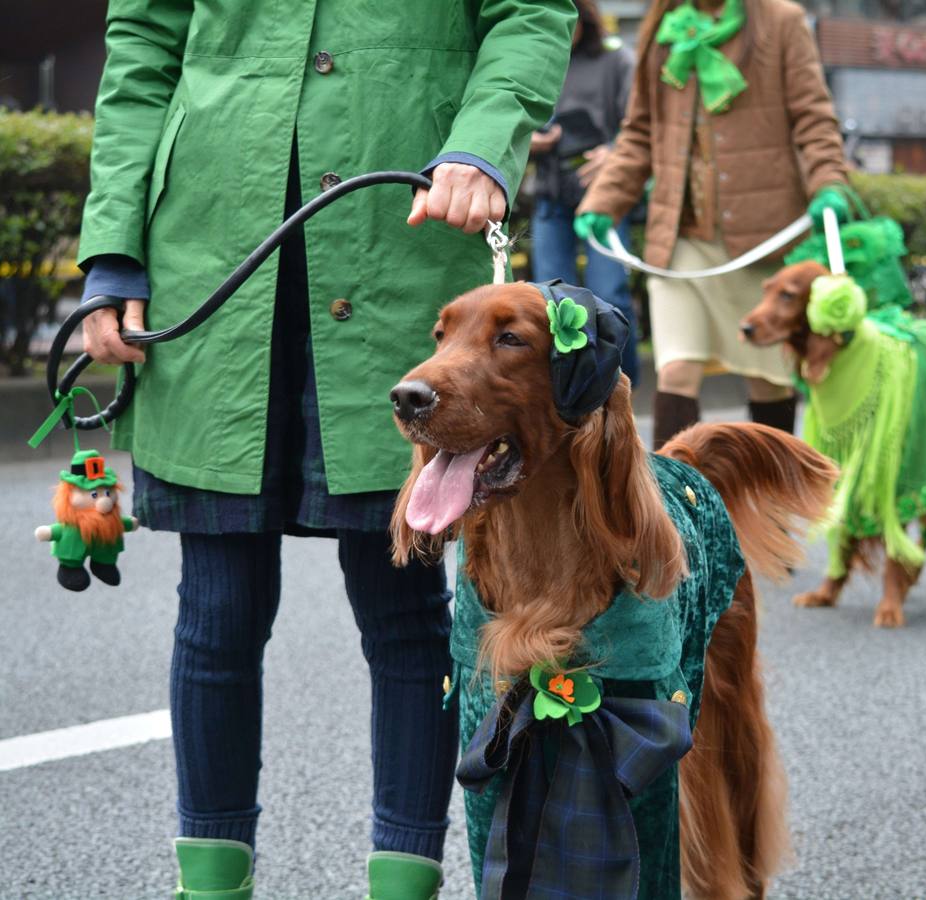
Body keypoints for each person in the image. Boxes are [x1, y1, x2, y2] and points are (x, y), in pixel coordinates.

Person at [75, 2, 575, 897]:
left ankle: (403, 885)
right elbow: (144, 43)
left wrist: (484, 140)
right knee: (218, 611)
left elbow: (529, 12)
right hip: (213, 250)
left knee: (403, 605)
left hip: (402, 240)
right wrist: (112, 250)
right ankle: (212, 886)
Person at [573, 0, 852, 448]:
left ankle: (769, 501)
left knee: (767, 379)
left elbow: (813, 117)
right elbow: (641, 130)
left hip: (764, 241)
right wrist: (603, 200)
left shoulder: (782, 21)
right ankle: (675, 507)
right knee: (677, 368)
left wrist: (829, 185)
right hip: (681, 241)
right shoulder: (664, 28)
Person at [529, 0, 641, 384]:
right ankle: (568, 397)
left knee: (610, 296)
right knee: (551, 305)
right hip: (551, 194)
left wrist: (613, 152)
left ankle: (622, 391)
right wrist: (530, 141)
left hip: (603, 198)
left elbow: (641, 126)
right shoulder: (537, 57)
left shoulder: (616, 60)